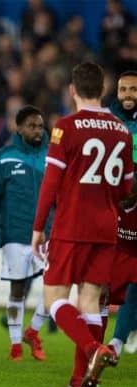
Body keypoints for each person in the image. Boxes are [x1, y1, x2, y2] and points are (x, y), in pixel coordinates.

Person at [31, 61, 133, 387]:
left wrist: (38, 228)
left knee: (55, 299)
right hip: (107, 227)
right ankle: (79, 382)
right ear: (103, 90)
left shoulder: (66, 127)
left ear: (72, 90)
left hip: (72, 225)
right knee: (91, 302)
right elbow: (128, 190)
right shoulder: (120, 129)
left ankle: (93, 349)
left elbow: (50, 182)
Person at [0, 105, 50, 362]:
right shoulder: (4, 157)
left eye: (40, 126)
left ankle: (33, 331)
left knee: (56, 288)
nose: (37, 131)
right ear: (18, 128)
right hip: (16, 235)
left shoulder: (51, 155)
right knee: (17, 290)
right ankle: (16, 345)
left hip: (47, 235)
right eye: (31, 126)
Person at [108, 70, 137, 356]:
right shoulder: (108, 120)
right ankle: (113, 342)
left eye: (133, 90)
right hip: (117, 204)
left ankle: (117, 340)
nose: (128, 94)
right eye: (123, 89)